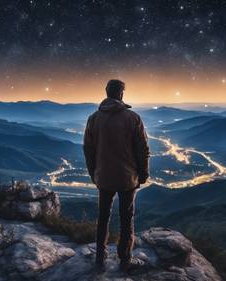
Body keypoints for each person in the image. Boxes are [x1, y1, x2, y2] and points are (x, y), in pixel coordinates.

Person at [83, 79, 150, 272]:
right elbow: (143, 149)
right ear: (122, 93)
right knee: (126, 218)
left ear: (106, 92)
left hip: (103, 177)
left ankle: (99, 257)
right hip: (127, 178)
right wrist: (143, 173)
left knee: (103, 216)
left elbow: (88, 149)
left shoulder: (93, 118)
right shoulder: (133, 118)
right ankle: (125, 259)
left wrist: (93, 173)